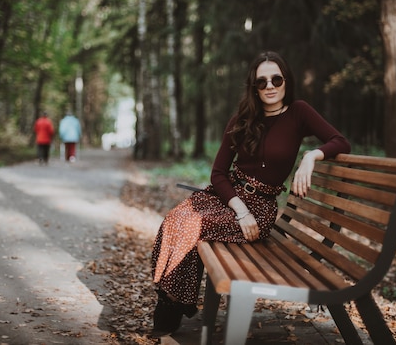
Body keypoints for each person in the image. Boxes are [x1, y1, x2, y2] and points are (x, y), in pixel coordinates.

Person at [150, 50, 351, 336]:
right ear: (254, 88)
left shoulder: (299, 112)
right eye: (262, 82)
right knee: (175, 219)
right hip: (229, 199)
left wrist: (311, 156)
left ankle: (171, 306)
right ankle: (173, 298)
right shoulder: (241, 120)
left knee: (191, 225)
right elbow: (218, 172)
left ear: (286, 82)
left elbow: (341, 141)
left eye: (276, 79)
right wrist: (238, 209)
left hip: (260, 210)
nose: (270, 86)